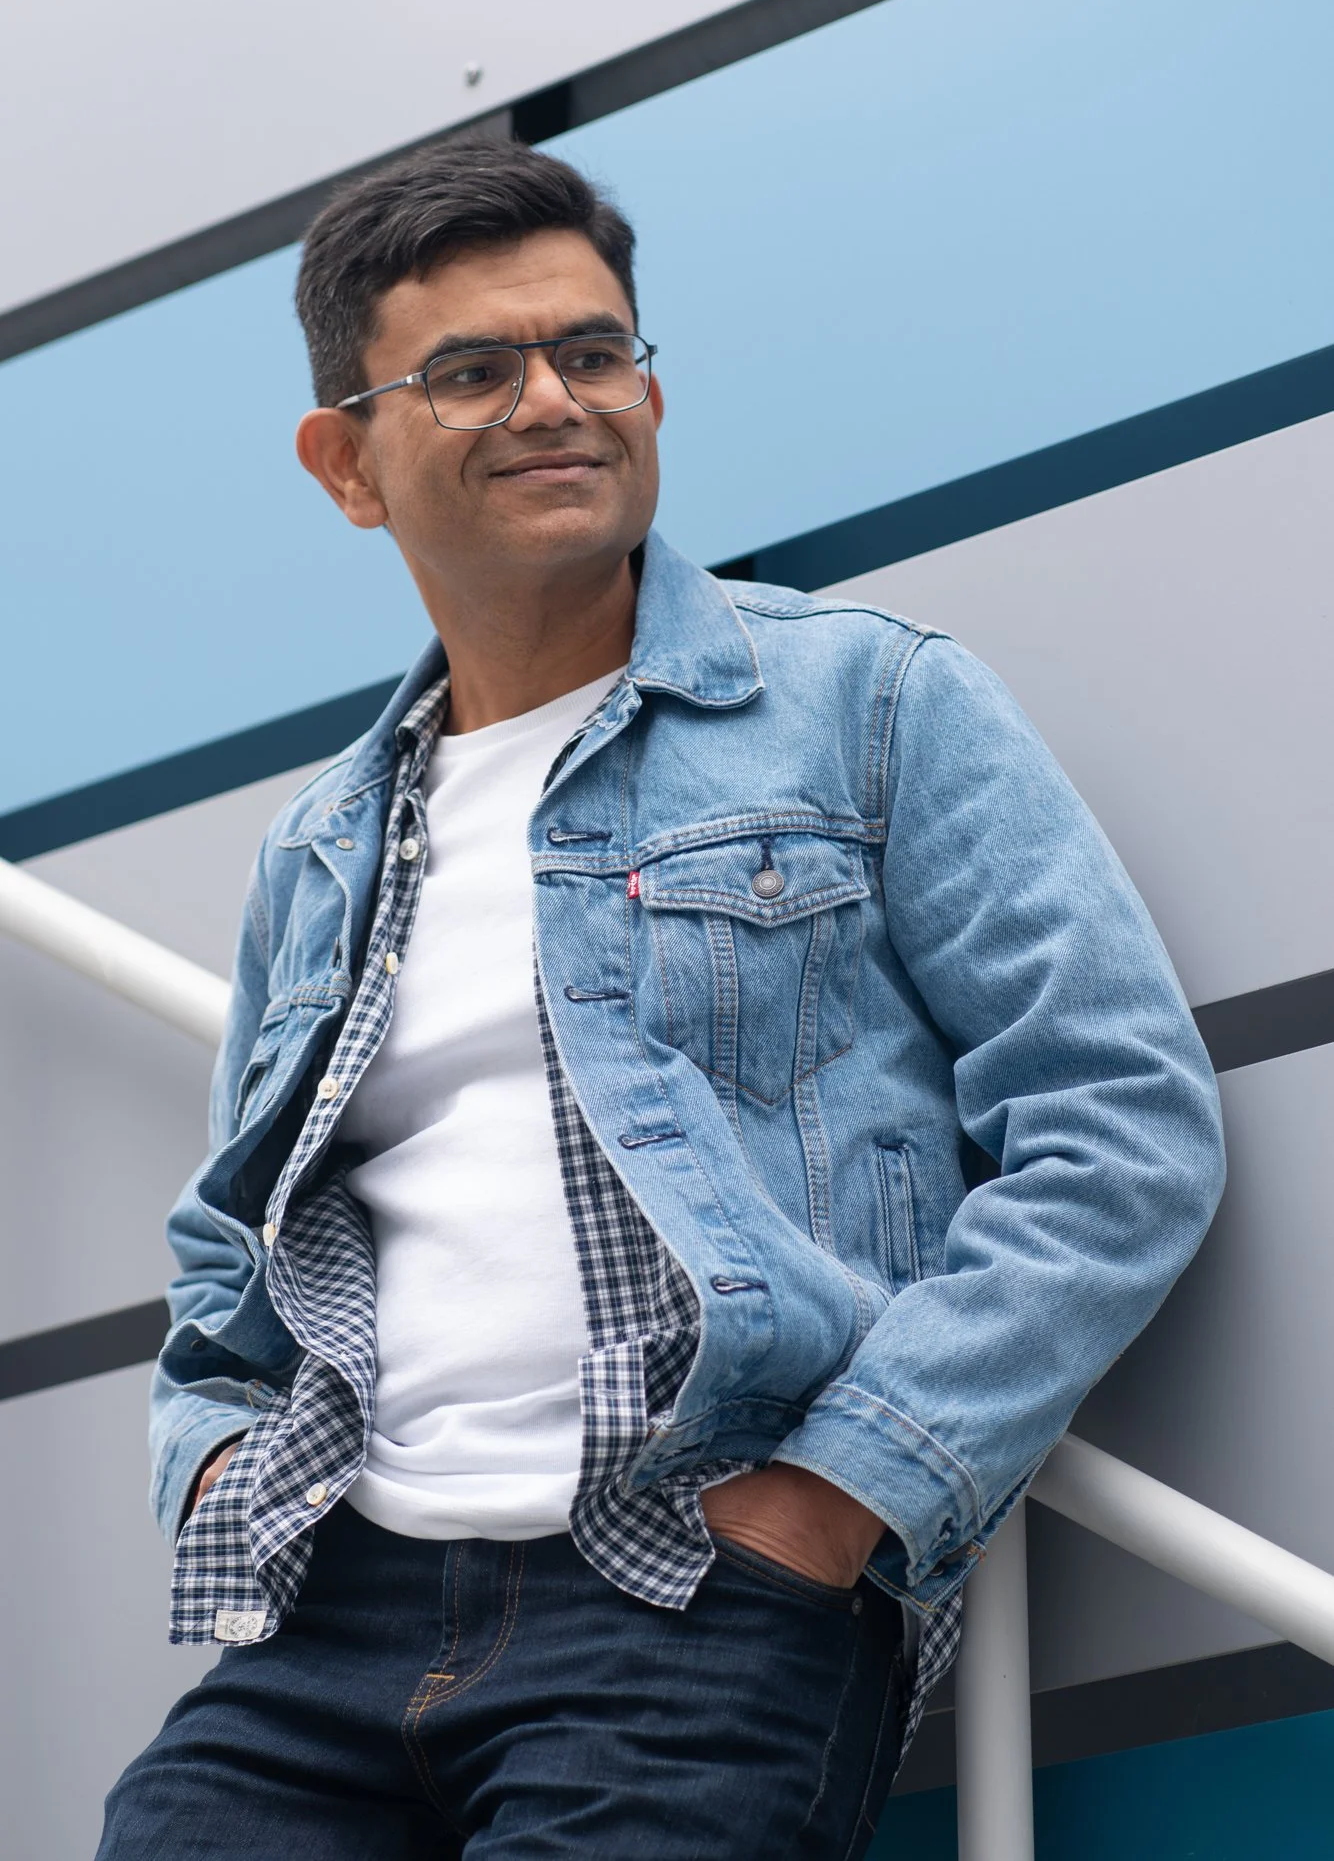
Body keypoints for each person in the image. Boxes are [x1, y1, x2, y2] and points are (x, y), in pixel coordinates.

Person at [99, 135, 1225, 1859]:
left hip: (692, 1588)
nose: (556, 400)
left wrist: (836, 1498)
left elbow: (1114, 1125)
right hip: (320, 1621)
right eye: (473, 369)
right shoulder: (320, 845)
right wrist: (219, 1473)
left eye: (595, 350)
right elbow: (228, 1247)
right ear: (347, 463)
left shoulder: (866, 702)